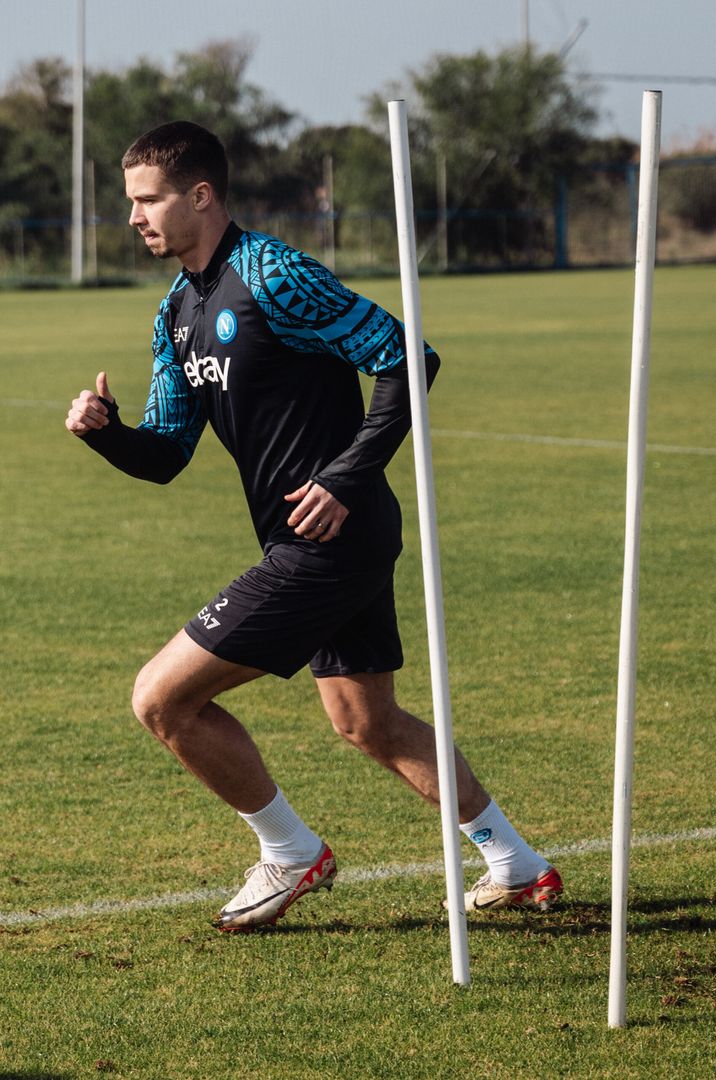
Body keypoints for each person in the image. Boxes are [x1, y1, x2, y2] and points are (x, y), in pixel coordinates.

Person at [65, 121, 562, 931]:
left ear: (201, 195)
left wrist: (342, 477)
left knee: (162, 701)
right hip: (320, 540)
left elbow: (407, 357)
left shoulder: (273, 274)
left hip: (332, 537)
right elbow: (165, 455)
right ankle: (515, 863)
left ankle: (291, 852)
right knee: (366, 721)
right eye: (130, 203)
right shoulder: (176, 313)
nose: (134, 218)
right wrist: (107, 431)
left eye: (148, 200)